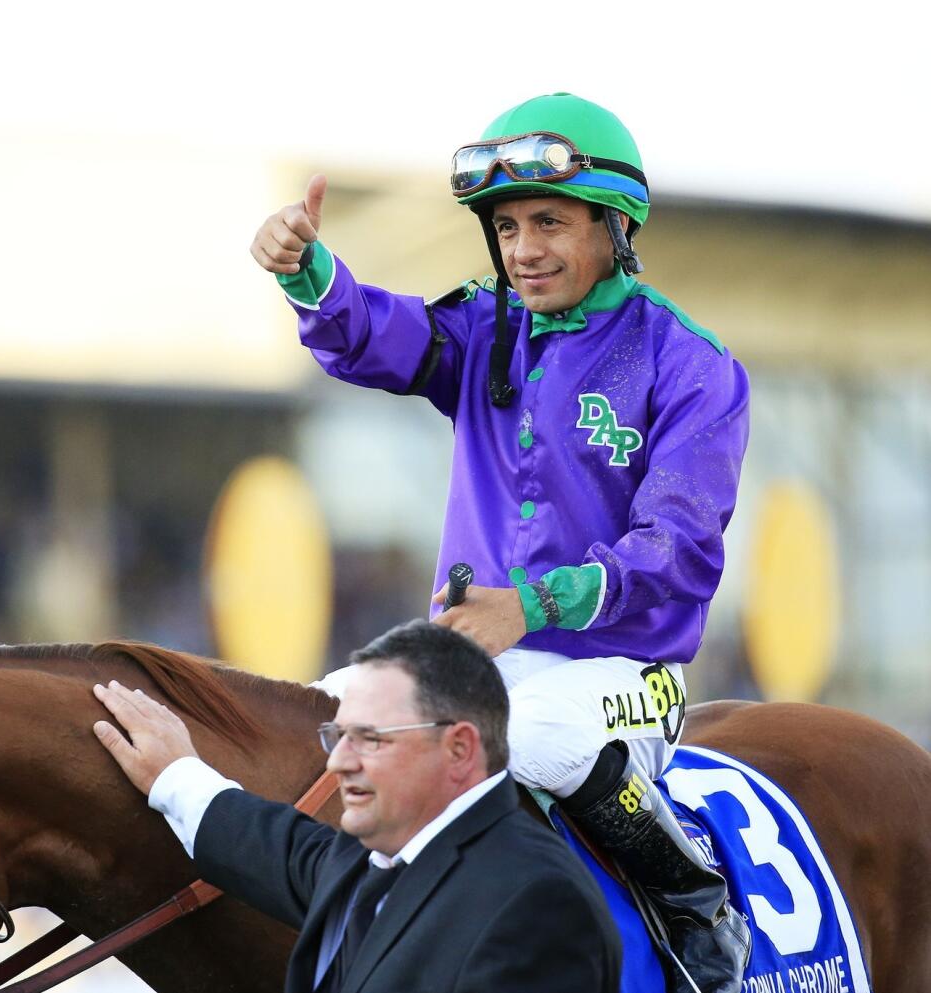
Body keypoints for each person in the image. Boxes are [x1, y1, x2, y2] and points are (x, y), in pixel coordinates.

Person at [249, 93, 751, 993]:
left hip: (624, 675)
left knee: (531, 741)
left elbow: (678, 547)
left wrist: (530, 606)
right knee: (322, 727)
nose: (525, 249)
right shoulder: (487, 326)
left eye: (550, 222)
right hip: (474, 658)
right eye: (509, 225)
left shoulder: (690, 364)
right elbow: (376, 336)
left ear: (615, 226)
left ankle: (690, 895)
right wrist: (309, 272)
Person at [92, 620, 620, 992]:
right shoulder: (365, 858)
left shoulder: (537, 901)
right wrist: (175, 774)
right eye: (338, 736)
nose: (340, 761)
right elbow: (275, 847)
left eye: (369, 738)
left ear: (459, 749)